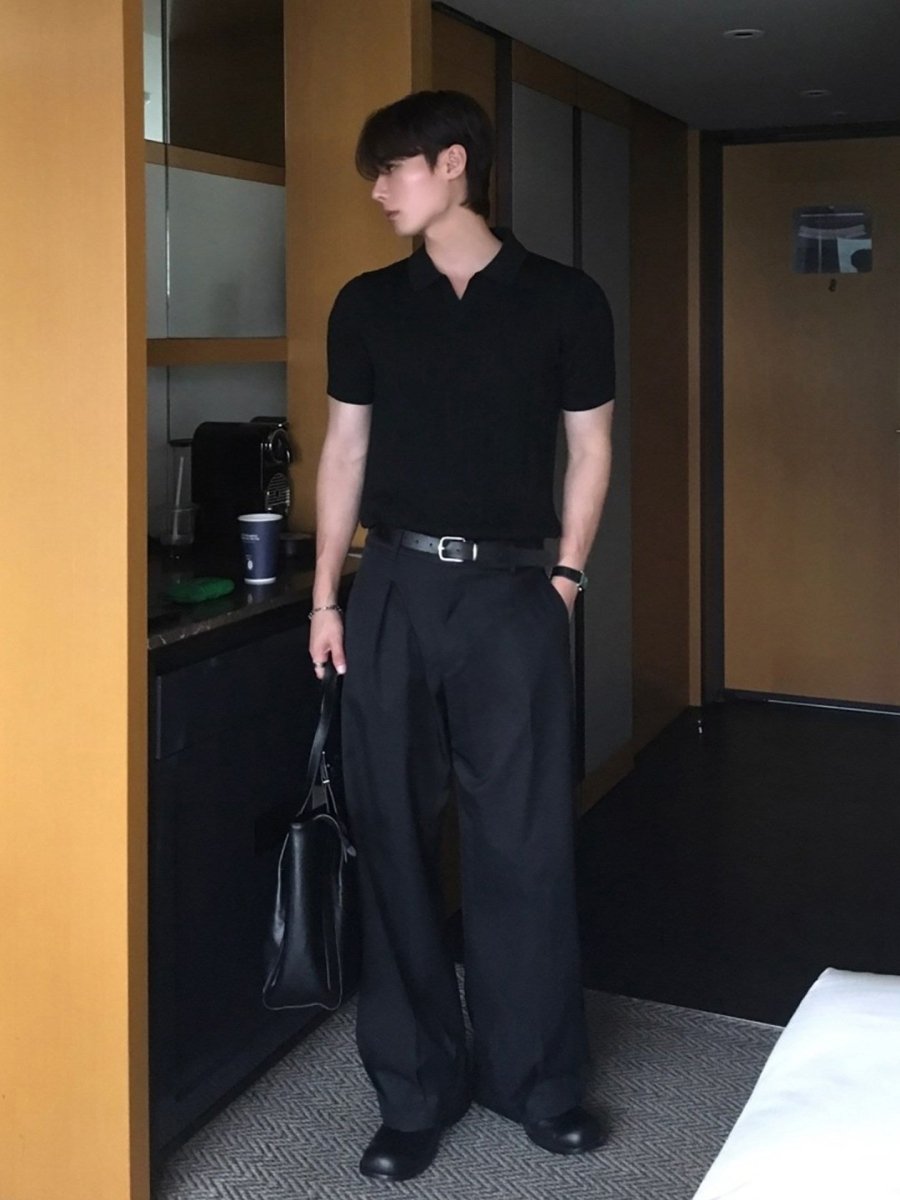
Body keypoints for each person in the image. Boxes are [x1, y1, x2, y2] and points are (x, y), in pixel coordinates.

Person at [309, 89, 615, 1182]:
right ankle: (413, 1088)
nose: (377, 190)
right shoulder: (366, 305)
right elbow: (344, 452)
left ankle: (537, 1082)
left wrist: (565, 579)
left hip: (511, 594)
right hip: (391, 585)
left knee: (522, 842)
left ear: (452, 164)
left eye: (392, 169)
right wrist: (326, 598)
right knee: (390, 832)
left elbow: (590, 450)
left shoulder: (566, 300)